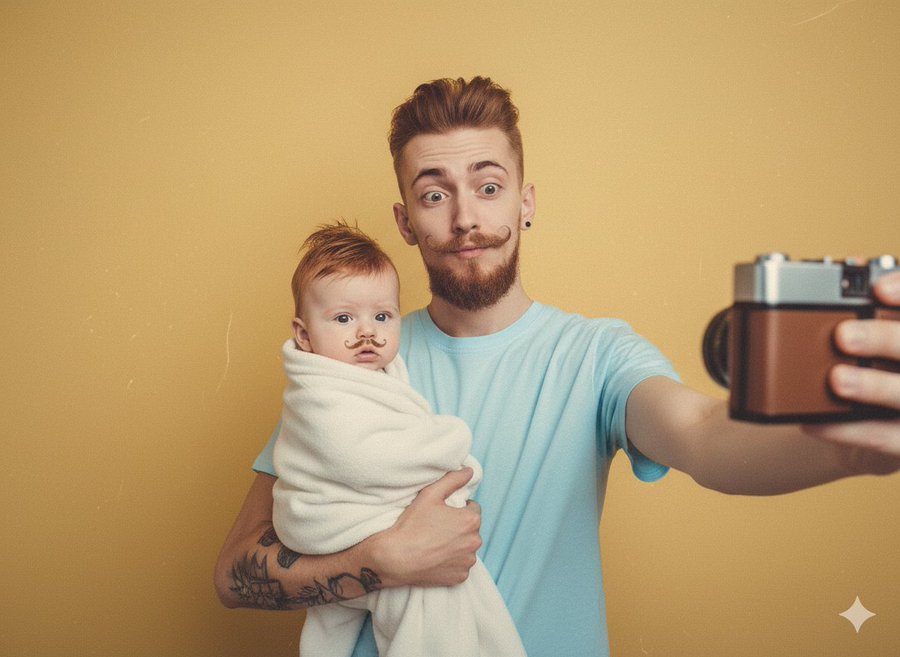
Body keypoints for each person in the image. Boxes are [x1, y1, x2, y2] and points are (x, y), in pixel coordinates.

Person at [215, 76, 900, 657]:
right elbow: (233, 571)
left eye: (488, 186)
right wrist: (380, 561)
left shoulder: (595, 354)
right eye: (434, 195)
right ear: (404, 221)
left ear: (526, 202)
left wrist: (845, 449)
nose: (465, 218)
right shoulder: (348, 362)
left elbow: (704, 437)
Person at [270, 221, 525, 657]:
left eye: (383, 316)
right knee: (430, 603)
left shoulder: (379, 374)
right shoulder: (317, 391)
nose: (367, 332)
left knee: (337, 623)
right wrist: (452, 442)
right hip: (332, 522)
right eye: (344, 318)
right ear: (304, 335)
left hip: (358, 524)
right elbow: (362, 459)